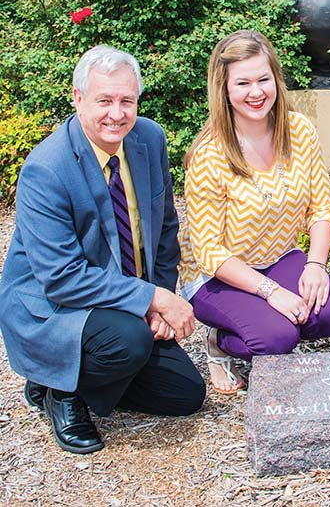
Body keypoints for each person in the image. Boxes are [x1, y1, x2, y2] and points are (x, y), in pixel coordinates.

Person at [0, 46, 205, 455]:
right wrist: (152, 297)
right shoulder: (47, 168)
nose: (117, 113)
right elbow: (61, 279)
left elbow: (165, 231)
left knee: (185, 394)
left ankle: (78, 372)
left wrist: (160, 300)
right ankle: (61, 390)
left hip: (120, 301)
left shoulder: (149, 139)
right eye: (104, 100)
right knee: (127, 342)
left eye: (126, 100)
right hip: (55, 306)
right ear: (78, 99)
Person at [178, 30, 330, 393]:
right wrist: (272, 292)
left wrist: (316, 266)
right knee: (276, 339)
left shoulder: (299, 131)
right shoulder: (210, 155)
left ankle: (261, 321)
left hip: (277, 255)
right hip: (217, 277)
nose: (255, 93)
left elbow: (322, 204)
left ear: (276, 78)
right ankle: (221, 342)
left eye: (263, 79)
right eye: (242, 83)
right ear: (223, 89)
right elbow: (209, 252)